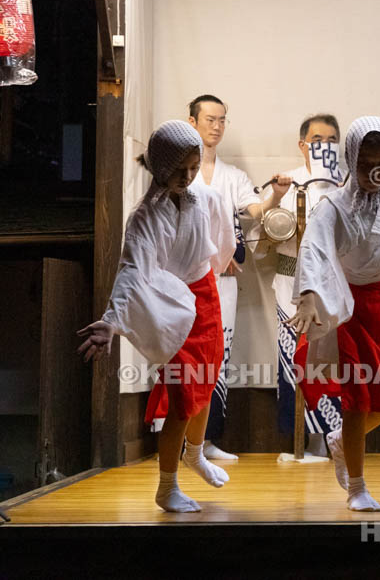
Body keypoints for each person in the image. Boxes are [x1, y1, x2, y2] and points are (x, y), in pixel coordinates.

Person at [76, 120, 235, 512]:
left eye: (194, 167)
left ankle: (195, 453)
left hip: (206, 296)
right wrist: (112, 321)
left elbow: (222, 238)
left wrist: (221, 265)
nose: (187, 176)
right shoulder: (145, 217)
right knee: (183, 396)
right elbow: (132, 270)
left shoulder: (205, 196)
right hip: (172, 304)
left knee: (207, 380)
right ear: (161, 165)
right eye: (179, 168)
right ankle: (167, 487)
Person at [289, 116, 380, 512]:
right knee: (357, 397)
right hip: (346, 304)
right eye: (364, 162)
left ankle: (338, 441)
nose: (374, 170)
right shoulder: (333, 205)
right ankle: (357, 487)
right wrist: (311, 296)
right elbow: (312, 250)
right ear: (351, 159)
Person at [185, 94, 290, 460]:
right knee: (183, 356)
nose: (216, 126)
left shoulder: (234, 177)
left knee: (218, 354)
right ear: (192, 121)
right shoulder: (179, 173)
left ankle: (206, 442)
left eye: (222, 120)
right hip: (184, 280)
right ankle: (173, 441)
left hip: (224, 281)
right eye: (209, 119)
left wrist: (276, 196)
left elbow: (255, 210)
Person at [251, 114, 346, 451]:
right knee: (293, 357)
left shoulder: (346, 183)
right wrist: (276, 200)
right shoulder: (287, 182)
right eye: (317, 139)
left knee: (326, 360)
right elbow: (263, 243)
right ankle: (297, 438)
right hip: (289, 281)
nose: (324, 146)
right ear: (302, 144)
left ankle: (326, 438)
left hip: (332, 284)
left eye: (332, 140)